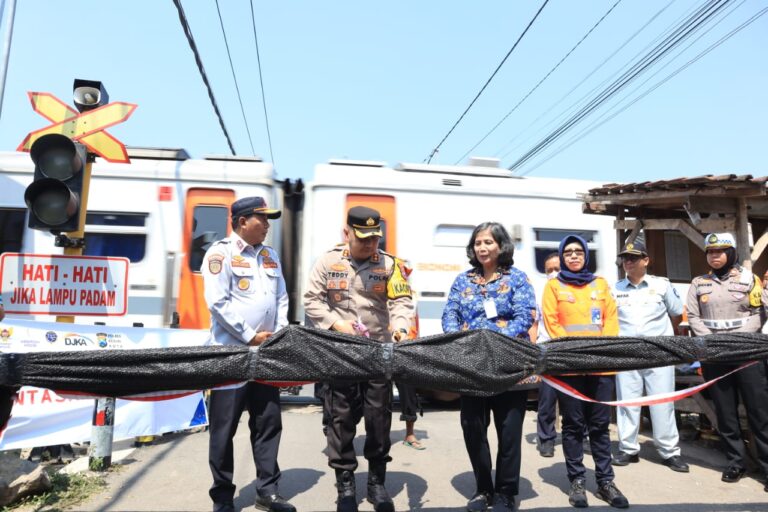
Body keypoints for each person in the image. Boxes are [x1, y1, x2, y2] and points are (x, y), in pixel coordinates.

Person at [304, 205, 415, 512]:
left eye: (374, 238)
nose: (369, 245)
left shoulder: (389, 264)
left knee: (379, 419)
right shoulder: (328, 262)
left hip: (378, 353)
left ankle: (377, 483)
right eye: (363, 238)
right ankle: (345, 484)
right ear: (347, 233)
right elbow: (312, 300)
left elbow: (402, 300)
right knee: (340, 419)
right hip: (341, 352)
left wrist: (402, 327)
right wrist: (333, 323)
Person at [201, 197, 295, 512]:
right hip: (231, 354)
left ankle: (267, 492)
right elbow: (217, 301)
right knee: (224, 428)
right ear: (243, 221)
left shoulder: (270, 255)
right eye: (262, 219)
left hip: (266, 355)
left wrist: (279, 334)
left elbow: (281, 296)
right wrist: (250, 335)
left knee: (268, 423)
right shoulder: (220, 253)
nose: (268, 225)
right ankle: (223, 497)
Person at [442, 222, 536, 512]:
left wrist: (494, 342)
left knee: (508, 430)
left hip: (507, 364)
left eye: (488, 242)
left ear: (501, 246)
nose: (482, 248)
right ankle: (483, 488)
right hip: (472, 365)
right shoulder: (463, 280)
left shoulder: (517, 279)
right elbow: (450, 313)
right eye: (477, 243)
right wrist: (457, 338)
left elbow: (525, 316)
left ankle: (506, 492)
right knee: (473, 427)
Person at [542, 235, 629, 509]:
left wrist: (599, 353)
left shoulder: (601, 285)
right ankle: (577, 481)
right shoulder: (553, 287)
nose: (574, 256)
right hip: (570, 369)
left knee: (601, 426)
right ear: (562, 256)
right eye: (568, 252)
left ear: (586, 255)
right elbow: (552, 323)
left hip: (602, 368)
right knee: (573, 425)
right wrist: (576, 355)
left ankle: (605, 481)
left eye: (578, 251)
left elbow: (611, 321)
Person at [686, 232, 768, 492]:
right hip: (715, 356)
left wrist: (740, 340)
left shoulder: (749, 279)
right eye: (711, 252)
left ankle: (767, 466)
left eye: (720, 252)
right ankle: (735, 462)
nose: (715, 256)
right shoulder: (699, 283)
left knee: (760, 412)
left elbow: (759, 312)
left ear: (731, 253)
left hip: (747, 354)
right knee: (725, 412)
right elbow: (694, 316)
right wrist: (713, 343)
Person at [612, 240, 689, 472]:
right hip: (627, 353)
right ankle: (628, 449)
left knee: (662, 402)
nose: (628, 261)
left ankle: (669, 451)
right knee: (627, 402)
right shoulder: (615, 289)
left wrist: (669, 342)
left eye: (633, 257)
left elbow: (677, 314)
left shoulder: (662, 286)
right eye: (625, 257)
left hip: (658, 353)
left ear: (646, 260)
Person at [534, 252, 561, 458]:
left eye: (557, 269)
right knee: (547, 399)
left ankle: (582, 436)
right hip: (547, 349)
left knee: (576, 399)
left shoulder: (575, 289)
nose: (553, 273)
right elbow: (535, 323)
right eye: (548, 270)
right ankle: (546, 439)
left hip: (571, 349)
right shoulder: (541, 292)